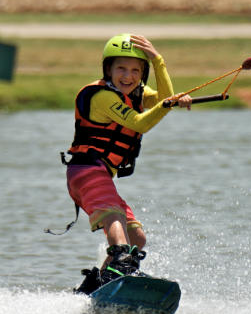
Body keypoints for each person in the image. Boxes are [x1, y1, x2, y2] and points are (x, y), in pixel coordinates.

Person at [64, 33, 191, 295]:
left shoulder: (136, 94)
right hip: (86, 170)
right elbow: (140, 122)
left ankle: (96, 285)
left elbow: (164, 97)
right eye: (121, 68)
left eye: (136, 70)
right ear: (108, 69)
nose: (127, 76)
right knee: (114, 217)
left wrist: (158, 62)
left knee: (137, 238)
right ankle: (119, 262)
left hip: (101, 174)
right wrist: (168, 103)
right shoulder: (102, 97)